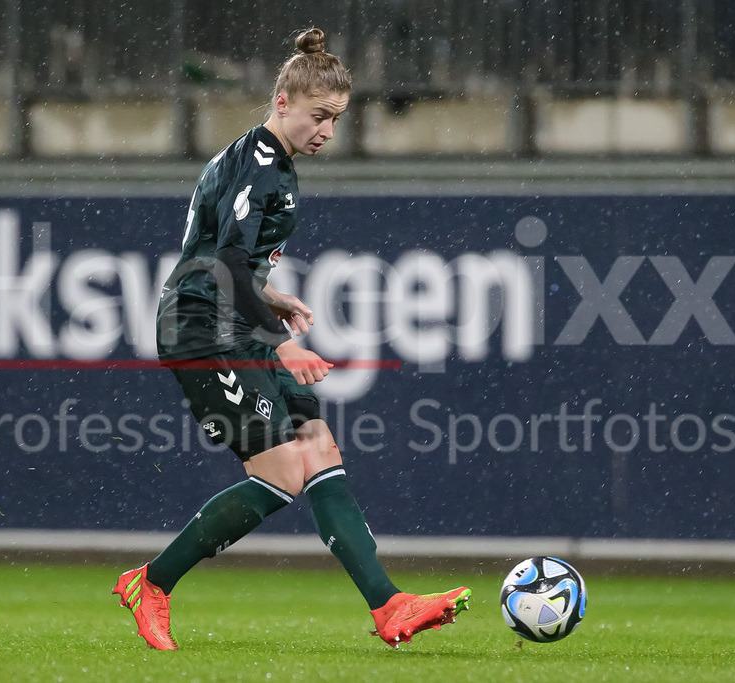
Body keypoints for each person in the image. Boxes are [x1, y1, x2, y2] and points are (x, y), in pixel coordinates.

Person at [112, 27, 471, 651]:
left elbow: (218, 252)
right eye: (319, 116)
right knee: (281, 471)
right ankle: (153, 582)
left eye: (337, 118)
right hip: (203, 328)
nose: (328, 131)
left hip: (234, 319)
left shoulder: (261, 160)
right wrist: (280, 343)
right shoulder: (262, 168)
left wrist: (269, 296)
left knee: (318, 448)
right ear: (282, 102)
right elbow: (223, 261)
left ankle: (389, 605)